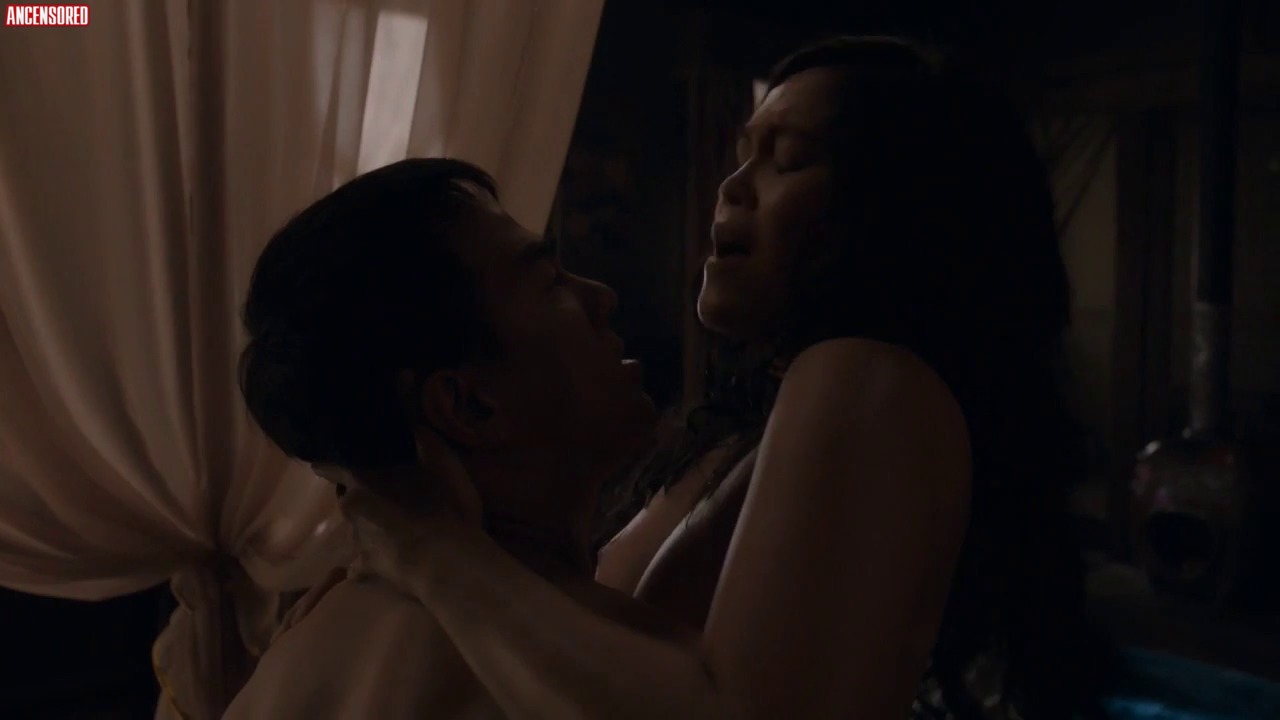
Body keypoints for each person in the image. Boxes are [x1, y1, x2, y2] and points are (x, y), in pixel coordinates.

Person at [336, 36, 1112, 720]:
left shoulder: (867, 378)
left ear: (898, 210)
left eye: (787, 159)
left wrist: (433, 552)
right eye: (745, 152)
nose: (733, 185)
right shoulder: (751, 430)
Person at [224, 158, 674, 718]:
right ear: (468, 406)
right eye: (551, 283)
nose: (601, 297)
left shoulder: (293, 664)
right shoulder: (609, 674)